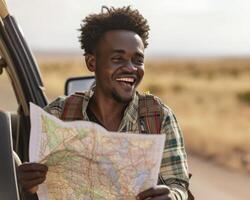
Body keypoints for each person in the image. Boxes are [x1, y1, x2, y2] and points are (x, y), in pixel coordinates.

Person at [17, 6, 190, 200]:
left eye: (138, 60)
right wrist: (28, 188)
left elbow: (178, 184)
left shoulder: (158, 116)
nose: (131, 68)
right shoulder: (57, 115)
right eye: (118, 59)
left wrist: (173, 196)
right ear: (92, 63)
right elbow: (38, 192)